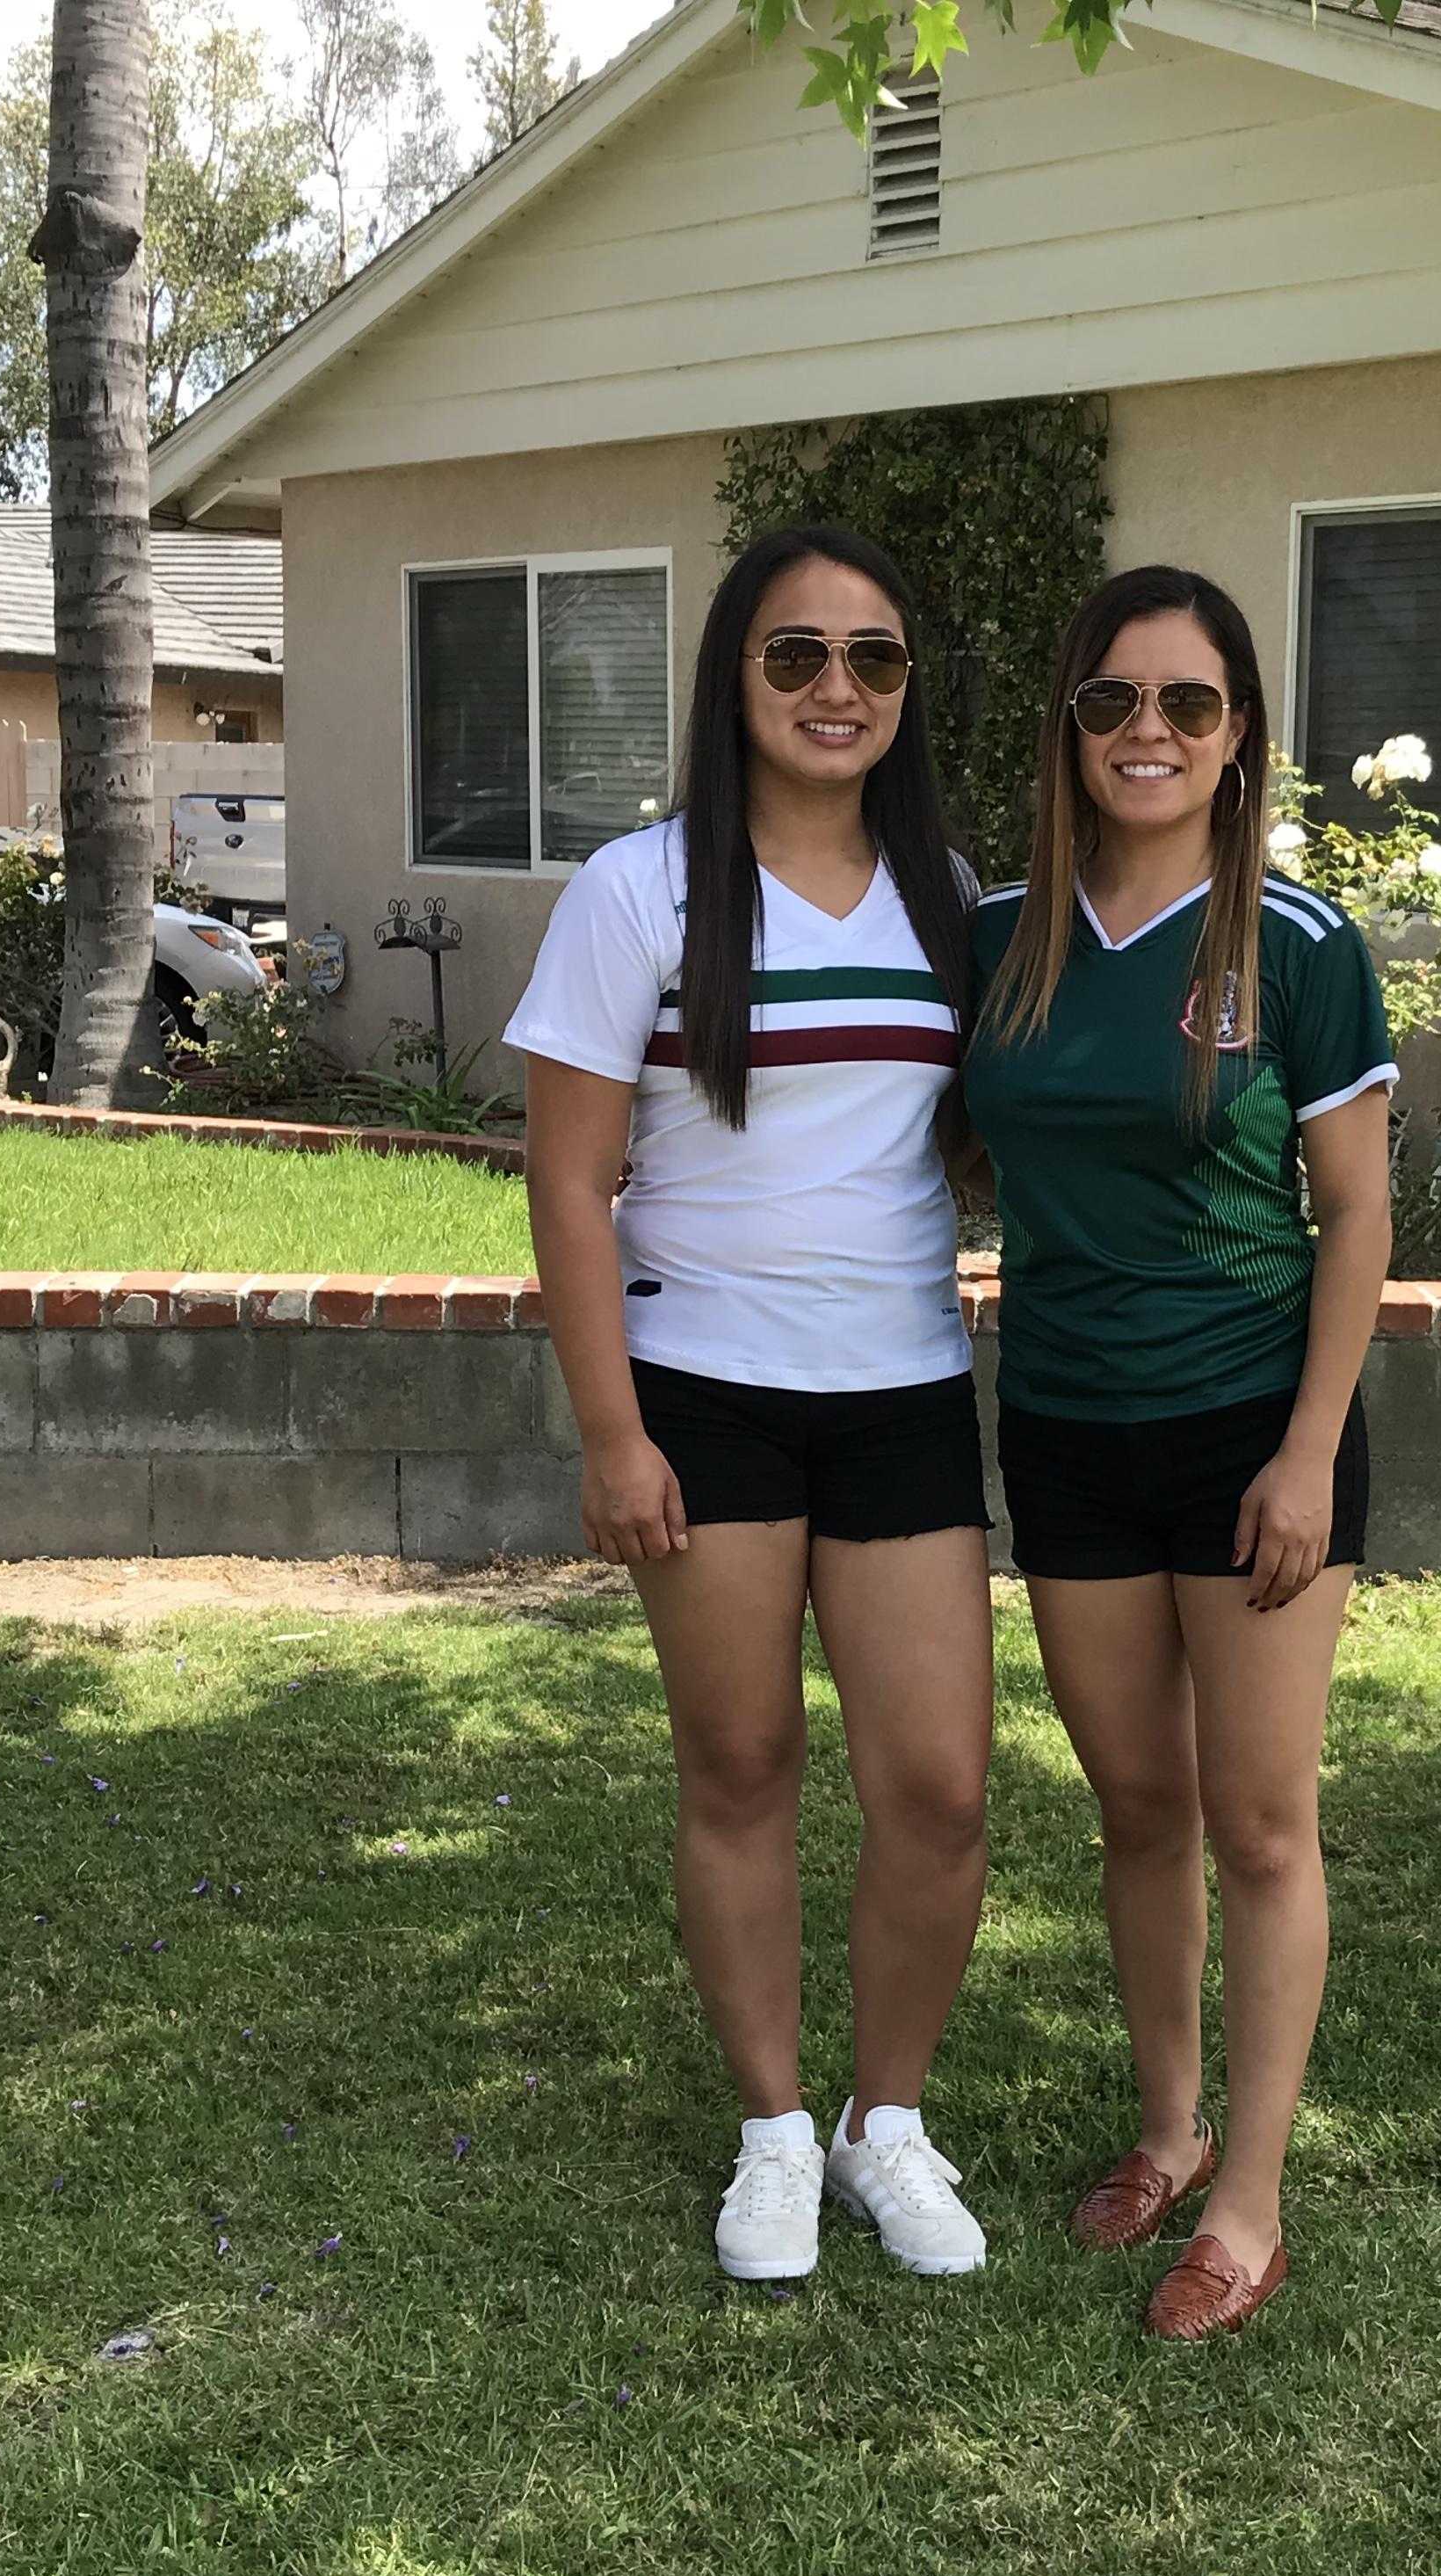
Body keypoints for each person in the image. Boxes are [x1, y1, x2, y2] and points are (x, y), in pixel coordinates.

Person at [512, 526, 995, 2284]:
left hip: (904, 1398)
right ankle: (777, 2135)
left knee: (938, 1789)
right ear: (734, 682)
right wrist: (611, 1431)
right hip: (700, 1396)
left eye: (872, 659)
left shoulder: (951, 893)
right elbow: (568, 1186)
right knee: (742, 1766)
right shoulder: (642, 894)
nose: (836, 689)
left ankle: (891, 2126)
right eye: (795, 657)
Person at [965, 567, 1395, 2340]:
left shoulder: (1292, 945)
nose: (1149, 732)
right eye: (1114, 701)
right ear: (1070, 728)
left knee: (1260, 1820)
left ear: (1237, 740)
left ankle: (1250, 2199)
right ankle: (1165, 2127)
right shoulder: (995, 930)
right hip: (1062, 1424)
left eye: (1189, 705)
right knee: (1137, 1805)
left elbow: (1360, 1217)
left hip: (1248, 1430)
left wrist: (1306, 1456)